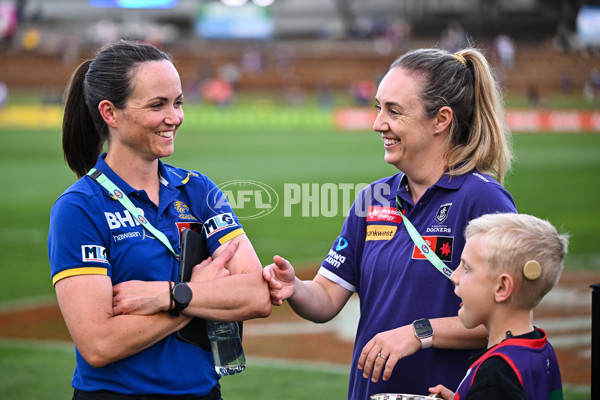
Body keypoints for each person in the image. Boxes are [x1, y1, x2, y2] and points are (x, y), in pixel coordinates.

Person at [263, 47, 516, 399]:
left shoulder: (483, 200)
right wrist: (294, 287)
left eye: (394, 111)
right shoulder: (373, 198)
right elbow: (325, 296)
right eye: (379, 108)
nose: (378, 123)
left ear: (441, 120)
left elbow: (507, 320)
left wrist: (417, 332)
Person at [48, 40, 271, 400]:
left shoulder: (198, 190)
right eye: (158, 105)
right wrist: (194, 296)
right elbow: (99, 344)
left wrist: (167, 295)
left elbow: (257, 296)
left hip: (204, 393)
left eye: (178, 102)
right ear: (110, 113)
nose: (175, 117)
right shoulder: (79, 208)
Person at [429, 213, 568, 399]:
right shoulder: (540, 347)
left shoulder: (495, 375)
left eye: (466, 268)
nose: (454, 276)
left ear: (502, 287)